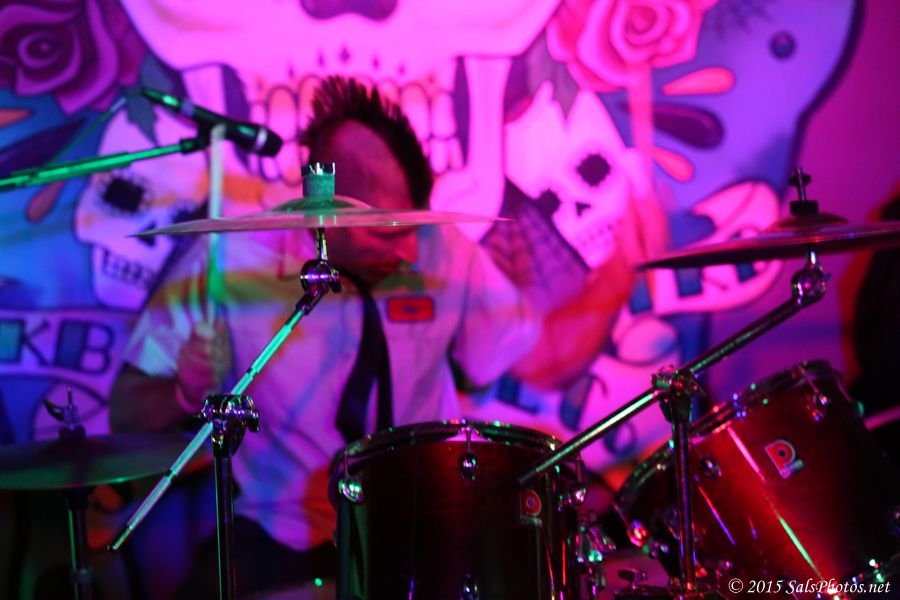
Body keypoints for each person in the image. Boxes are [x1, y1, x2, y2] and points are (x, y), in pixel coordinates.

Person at [109, 76, 644, 597]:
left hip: (426, 519)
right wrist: (185, 391)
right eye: (388, 233)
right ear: (323, 208)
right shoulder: (231, 262)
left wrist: (627, 263)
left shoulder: (444, 248)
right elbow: (127, 413)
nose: (410, 252)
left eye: (413, 228)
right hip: (285, 531)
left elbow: (536, 358)